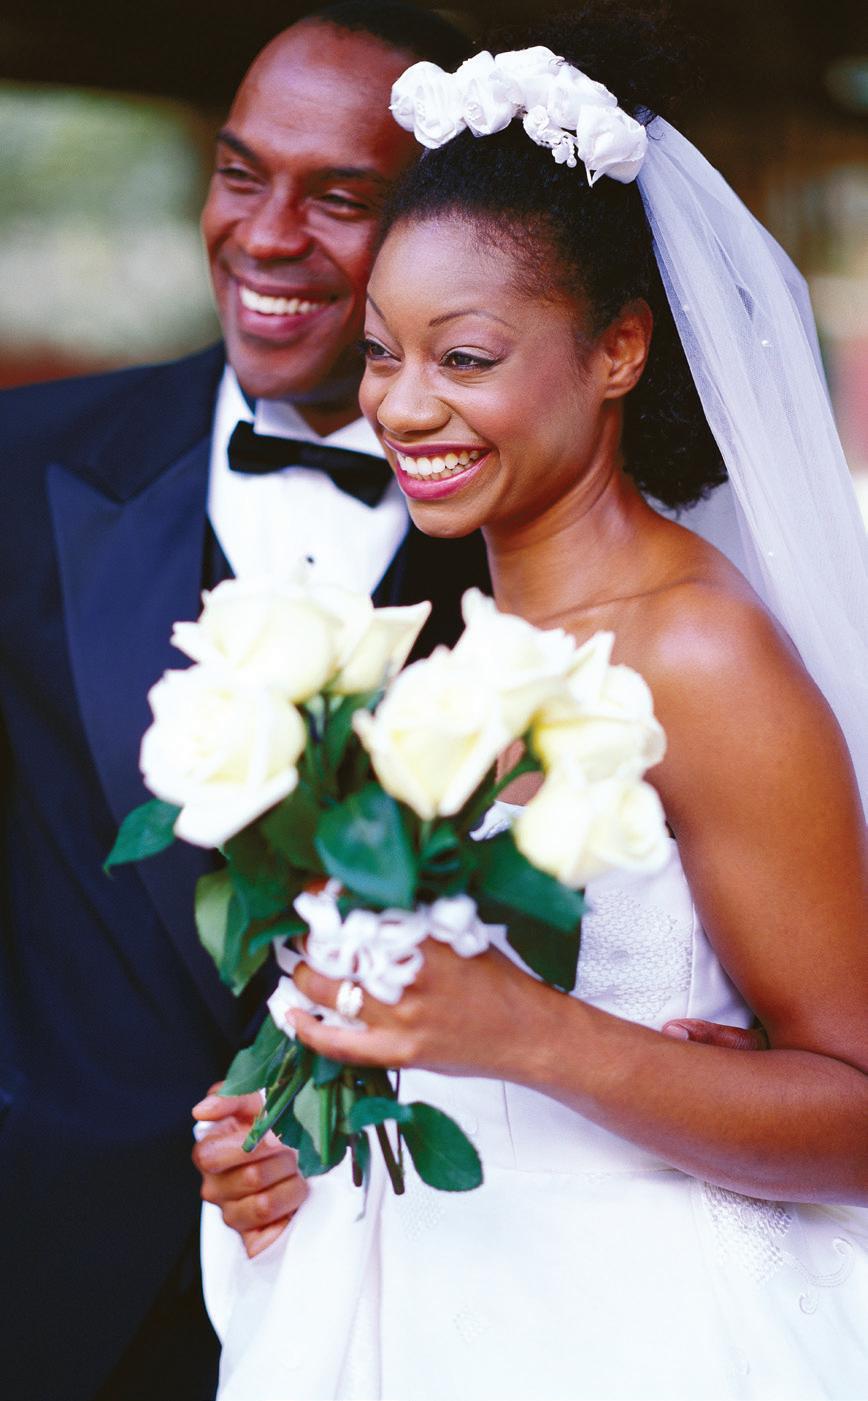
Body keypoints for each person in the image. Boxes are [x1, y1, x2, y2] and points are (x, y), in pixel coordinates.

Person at [199, 12, 868, 1400]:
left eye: (465, 358)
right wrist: (284, 1114)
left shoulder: (701, 652)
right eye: (382, 352)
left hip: (644, 1335)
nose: (402, 407)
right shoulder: (443, 650)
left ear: (618, 349)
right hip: (420, 1312)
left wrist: (534, 1035)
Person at [0, 6, 489, 1400]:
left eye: (341, 197)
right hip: (55, 1285)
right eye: (238, 173)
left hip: (419, 1294)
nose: (266, 235)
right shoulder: (20, 468)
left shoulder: (560, 555)